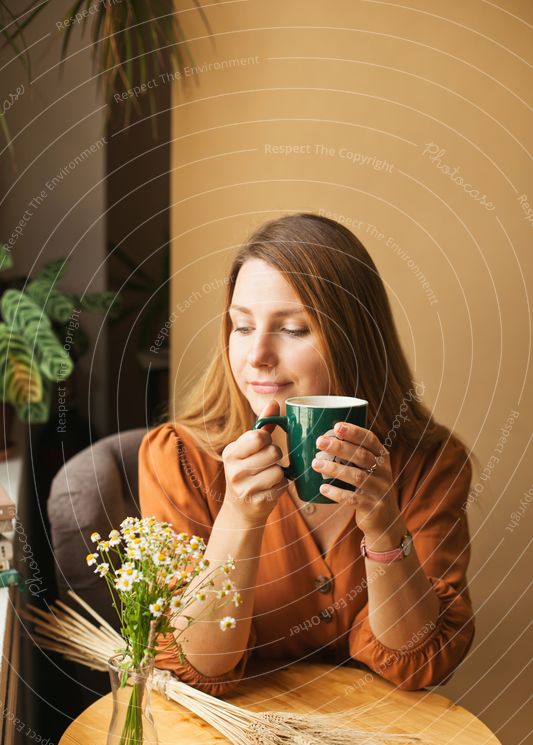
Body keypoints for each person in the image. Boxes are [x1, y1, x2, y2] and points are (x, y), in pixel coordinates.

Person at [139, 213, 475, 696]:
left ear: (353, 338)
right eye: (241, 326)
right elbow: (200, 665)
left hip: (379, 737)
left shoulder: (429, 463)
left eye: (293, 330)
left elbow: (417, 662)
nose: (256, 355)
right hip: (227, 739)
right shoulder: (179, 458)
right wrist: (240, 514)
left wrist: (383, 527)